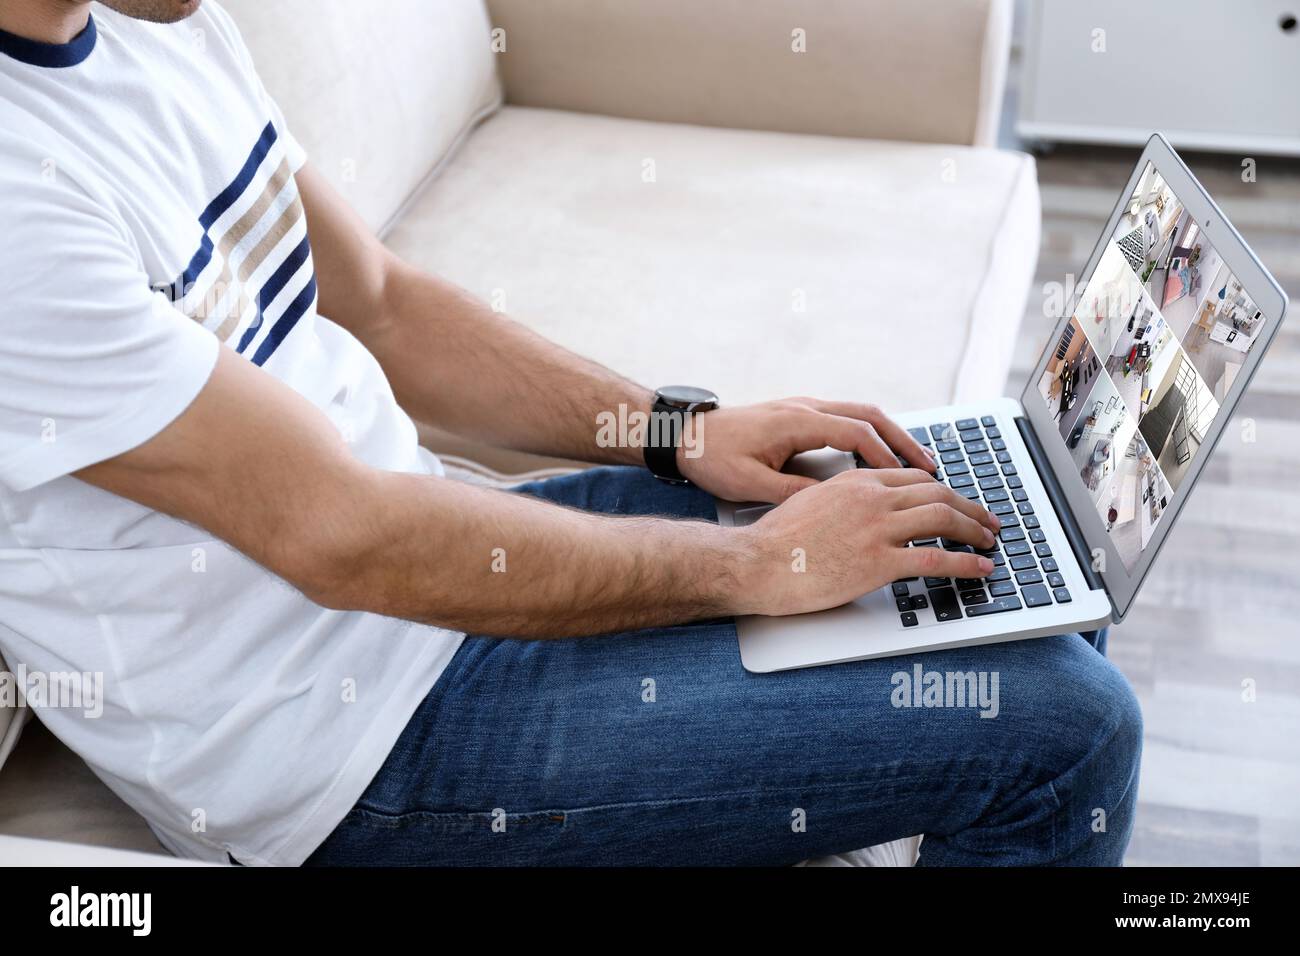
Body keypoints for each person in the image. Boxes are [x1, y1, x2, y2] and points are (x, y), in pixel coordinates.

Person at [0, 0, 1141, 866]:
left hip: (447, 572)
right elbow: (340, 536)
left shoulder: (157, 28)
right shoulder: (19, 200)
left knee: (988, 549)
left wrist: (673, 431)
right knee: (1068, 732)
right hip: (345, 751)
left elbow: (381, 300)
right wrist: (757, 562)